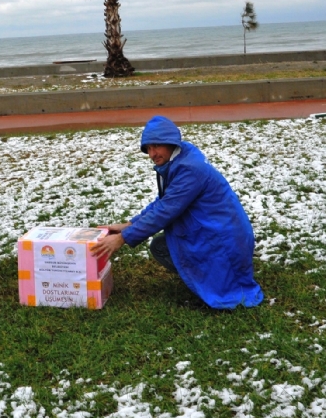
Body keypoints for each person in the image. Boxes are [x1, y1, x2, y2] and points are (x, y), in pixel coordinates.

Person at [91, 116, 264, 309]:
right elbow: (165, 201)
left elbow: (164, 211)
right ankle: (204, 278)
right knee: (161, 246)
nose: (152, 154)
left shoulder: (190, 170)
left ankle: (214, 283)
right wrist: (129, 225)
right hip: (215, 231)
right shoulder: (181, 158)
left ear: (170, 142)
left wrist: (122, 238)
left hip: (223, 239)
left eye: (156, 146)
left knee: (167, 247)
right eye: (148, 148)